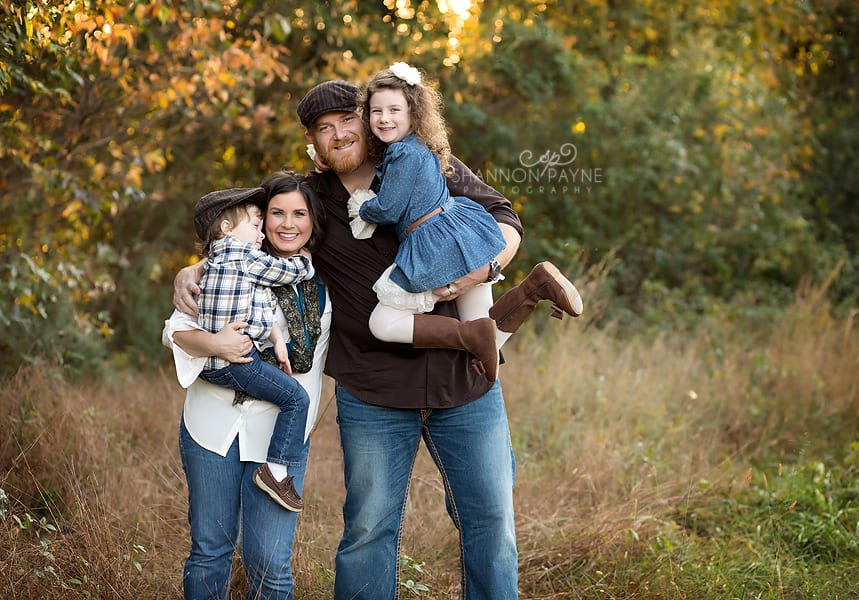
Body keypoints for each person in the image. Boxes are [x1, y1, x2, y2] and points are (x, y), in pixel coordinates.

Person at [174, 79, 581, 600]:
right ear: (313, 143)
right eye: (324, 128)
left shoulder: (426, 159)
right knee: (368, 531)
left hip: (465, 383)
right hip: (374, 389)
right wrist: (193, 269)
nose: (339, 133)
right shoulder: (312, 197)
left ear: (369, 120)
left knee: (491, 524)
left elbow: (505, 219)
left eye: (349, 119)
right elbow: (252, 230)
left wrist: (475, 273)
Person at [348, 63, 582, 382]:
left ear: (413, 112)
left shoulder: (401, 154)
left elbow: (388, 209)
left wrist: (363, 208)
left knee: (383, 322)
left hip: (434, 245)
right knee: (486, 336)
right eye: (376, 111)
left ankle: (482, 329)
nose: (384, 118)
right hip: (463, 231)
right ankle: (535, 287)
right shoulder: (422, 146)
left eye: (393, 109)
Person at [165, 172, 330, 599]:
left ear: (315, 220)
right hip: (211, 427)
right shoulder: (228, 263)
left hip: (278, 436)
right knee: (209, 552)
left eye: (300, 213)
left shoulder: (327, 278)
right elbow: (176, 330)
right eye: (275, 213)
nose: (286, 223)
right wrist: (213, 341)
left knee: (269, 565)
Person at [194, 187, 315, 512]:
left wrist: (277, 342)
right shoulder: (245, 256)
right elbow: (287, 274)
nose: (261, 235)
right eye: (255, 226)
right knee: (296, 398)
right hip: (234, 362)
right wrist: (305, 263)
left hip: (213, 366)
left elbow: (258, 302)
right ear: (226, 229)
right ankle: (276, 471)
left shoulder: (217, 260)